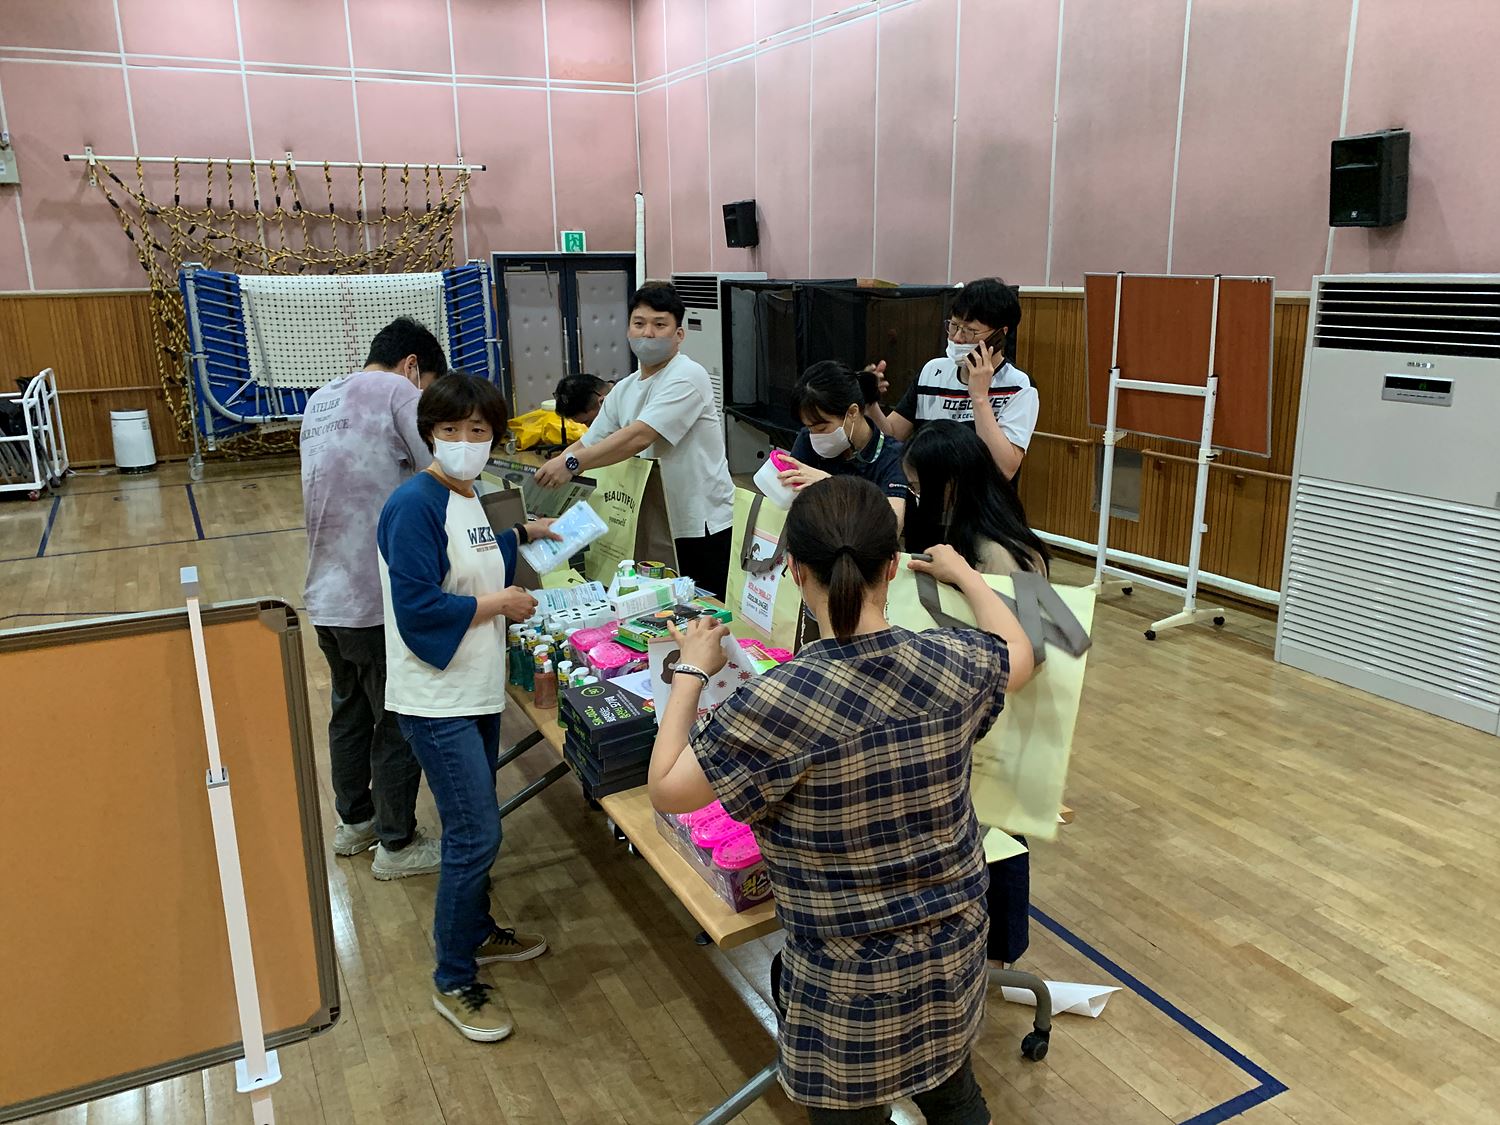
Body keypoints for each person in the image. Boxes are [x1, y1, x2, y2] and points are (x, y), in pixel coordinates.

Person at [648, 475, 1035, 1125]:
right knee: (953, 1093)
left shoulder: (777, 702)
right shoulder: (951, 661)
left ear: (796, 571)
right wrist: (966, 575)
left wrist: (690, 667)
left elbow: (666, 786)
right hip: (950, 959)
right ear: (893, 566)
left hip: (842, 989)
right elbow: (1019, 652)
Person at [377, 372, 559, 1043]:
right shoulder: (414, 504)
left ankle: (477, 930)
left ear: (494, 437)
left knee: (476, 825)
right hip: (437, 698)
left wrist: (526, 533)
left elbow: (475, 557)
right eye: (449, 429)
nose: (462, 441)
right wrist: (499, 603)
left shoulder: (468, 495)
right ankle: (453, 978)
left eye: (477, 430)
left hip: (474, 687)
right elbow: (418, 605)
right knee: (474, 833)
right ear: (429, 432)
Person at [300, 316, 447, 880]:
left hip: (326, 594)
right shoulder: (396, 391)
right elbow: (442, 476)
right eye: (431, 392)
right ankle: (397, 844)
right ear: (412, 367)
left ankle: (355, 822)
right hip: (375, 595)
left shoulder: (319, 400)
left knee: (350, 711)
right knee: (397, 719)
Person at [904, 419, 1050, 970]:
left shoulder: (1009, 554)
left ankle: (999, 955)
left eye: (919, 486)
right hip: (956, 717)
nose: (915, 497)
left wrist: (967, 579)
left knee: (999, 834)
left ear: (951, 485)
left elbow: (1033, 653)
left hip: (998, 725)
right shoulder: (951, 539)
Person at [534, 283, 736, 598]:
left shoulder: (688, 375)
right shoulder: (625, 388)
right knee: (659, 609)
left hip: (699, 522)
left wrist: (571, 464)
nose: (648, 333)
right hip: (651, 519)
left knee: (703, 609)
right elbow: (590, 441)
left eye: (660, 325)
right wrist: (551, 471)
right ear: (628, 330)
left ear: (679, 334)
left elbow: (639, 437)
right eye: (639, 323)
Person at [868, 278, 1036, 480]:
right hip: (929, 491)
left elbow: (1004, 469)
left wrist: (979, 398)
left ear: (1000, 334)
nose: (957, 338)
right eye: (954, 326)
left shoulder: (1018, 385)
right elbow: (892, 435)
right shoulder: (933, 371)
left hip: (980, 497)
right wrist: (870, 401)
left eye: (970, 331)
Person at [774, 360, 909, 531]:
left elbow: (892, 525)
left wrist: (833, 486)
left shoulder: (891, 455)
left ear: (852, 412)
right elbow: (789, 503)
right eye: (809, 428)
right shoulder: (808, 439)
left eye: (821, 428)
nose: (814, 436)